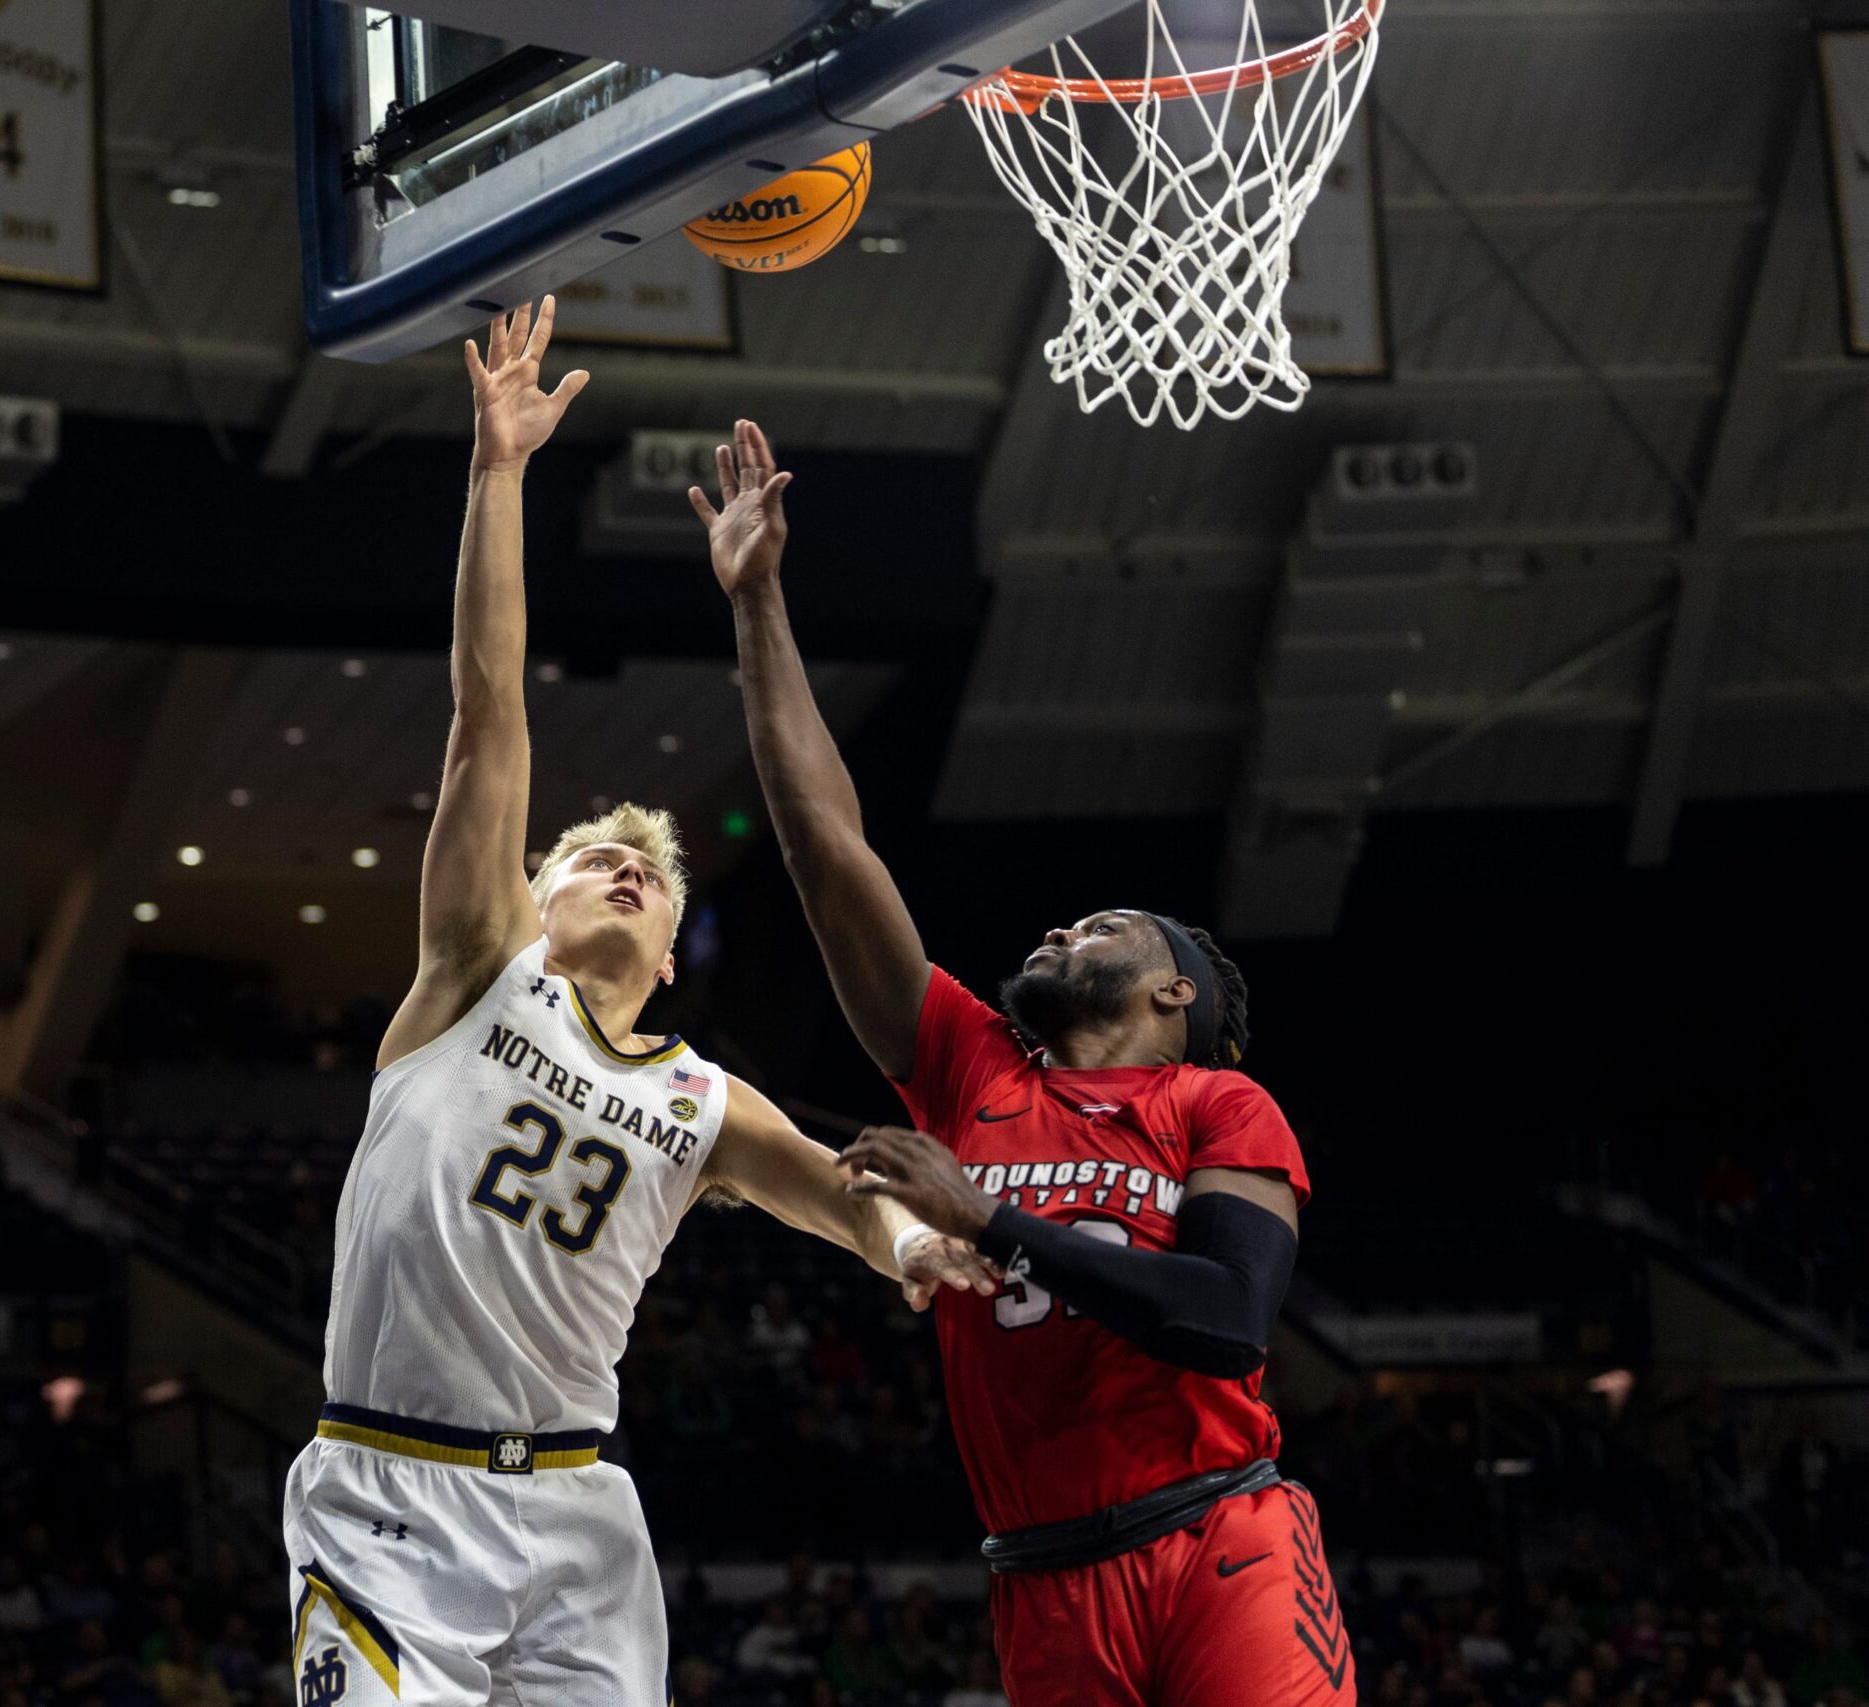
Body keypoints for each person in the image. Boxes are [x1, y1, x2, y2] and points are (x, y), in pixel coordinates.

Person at [280, 301, 992, 1705]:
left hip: (579, 1515)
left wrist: (906, 1242)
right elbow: (489, 712)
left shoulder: (699, 1099)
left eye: (649, 871)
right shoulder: (474, 972)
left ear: (670, 951)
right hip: (389, 1491)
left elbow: (843, 1189)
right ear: (535, 902)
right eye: (591, 855)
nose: (622, 862)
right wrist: (498, 473)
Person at [696, 419, 1348, 1706]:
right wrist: (758, 601)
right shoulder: (970, 1064)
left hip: (1221, 1536)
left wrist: (988, 1214)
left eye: (1102, 927)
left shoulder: (1215, 1101)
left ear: (1177, 990)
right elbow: (828, 846)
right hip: (1042, 1579)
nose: (1061, 928)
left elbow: (1226, 1321)